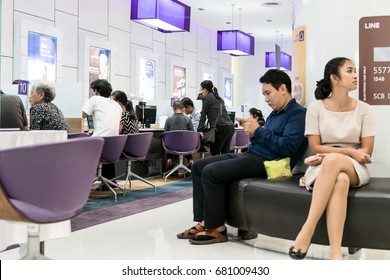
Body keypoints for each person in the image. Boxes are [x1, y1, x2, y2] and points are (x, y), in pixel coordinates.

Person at [177, 69, 308, 244]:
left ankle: (217, 228)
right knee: (199, 167)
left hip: (270, 163)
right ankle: (204, 220)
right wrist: (253, 133)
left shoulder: (298, 114)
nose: (266, 99)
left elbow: (288, 147)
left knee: (211, 172)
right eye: (264, 94)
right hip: (254, 155)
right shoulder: (275, 114)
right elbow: (268, 139)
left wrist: (259, 131)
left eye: (268, 93)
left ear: (283, 88)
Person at [289, 57, 375, 260]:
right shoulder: (316, 107)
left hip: (354, 165)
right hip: (323, 163)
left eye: (355, 71)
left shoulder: (364, 108)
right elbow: (314, 146)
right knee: (340, 180)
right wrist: (347, 152)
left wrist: (347, 154)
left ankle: (307, 230)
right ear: (335, 78)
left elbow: (366, 152)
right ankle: (336, 252)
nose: (355, 75)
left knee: (335, 163)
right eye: (350, 71)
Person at [197, 80, 235, 155]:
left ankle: (217, 167)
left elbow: (203, 114)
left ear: (205, 89)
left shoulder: (207, 98)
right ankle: (225, 167)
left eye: (201, 89)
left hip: (221, 128)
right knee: (225, 153)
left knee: (215, 152)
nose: (201, 92)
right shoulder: (219, 98)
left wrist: (200, 130)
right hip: (230, 127)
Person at [164, 100, 195, 170]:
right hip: (185, 147)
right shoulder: (188, 119)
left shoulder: (168, 120)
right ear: (183, 109)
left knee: (166, 144)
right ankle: (190, 160)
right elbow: (192, 134)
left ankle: (169, 160)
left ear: (173, 109)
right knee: (186, 143)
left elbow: (165, 134)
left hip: (172, 147)